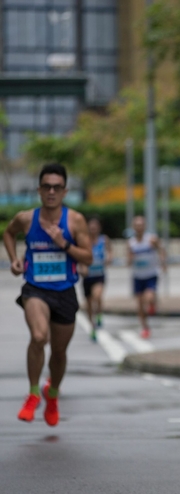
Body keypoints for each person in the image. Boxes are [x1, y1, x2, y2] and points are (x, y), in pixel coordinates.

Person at [3, 162, 92, 427]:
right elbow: (8, 233)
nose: (51, 192)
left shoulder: (75, 220)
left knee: (59, 352)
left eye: (57, 187)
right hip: (35, 289)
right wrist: (14, 259)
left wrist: (64, 244)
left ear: (65, 191)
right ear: (39, 190)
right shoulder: (26, 218)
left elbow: (88, 256)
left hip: (64, 291)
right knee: (39, 336)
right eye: (46, 187)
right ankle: (32, 394)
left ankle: (51, 394)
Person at [127, 215, 166, 339]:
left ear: (145, 226)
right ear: (133, 227)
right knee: (140, 305)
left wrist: (163, 262)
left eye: (141, 225)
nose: (139, 228)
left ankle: (152, 303)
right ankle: (145, 327)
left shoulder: (151, 239)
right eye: (136, 225)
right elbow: (128, 261)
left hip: (151, 274)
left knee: (148, 297)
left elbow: (161, 250)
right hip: (138, 276)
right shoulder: (131, 243)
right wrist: (131, 258)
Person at [82, 217, 113, 341]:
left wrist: (109, 258)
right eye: (91, 227)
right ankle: (92, 327)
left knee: (97, 296)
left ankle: (99, 314)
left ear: (99, 228)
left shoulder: (104, 240)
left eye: (95, 227)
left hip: (99, 274)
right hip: (87, 277)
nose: (93, 229)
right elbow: (79, 256)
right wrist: (82, 267)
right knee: (89, 305)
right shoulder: (84, 241)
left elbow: (110, 251)